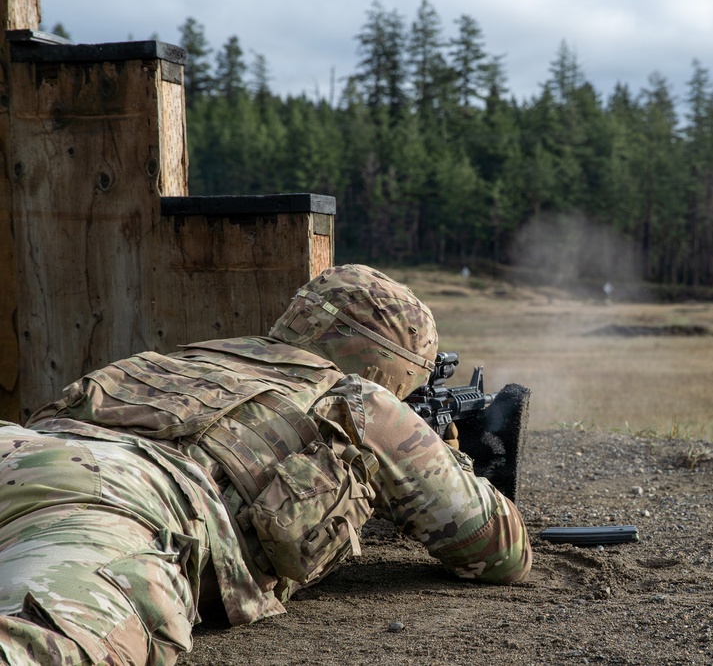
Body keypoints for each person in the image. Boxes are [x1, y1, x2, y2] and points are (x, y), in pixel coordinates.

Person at [0, 264, 531, 665]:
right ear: (395, 369)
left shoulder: (178, 357)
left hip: (20, 450)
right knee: (48, 645)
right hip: (118, 500)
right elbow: (500, 552)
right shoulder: (364, 400)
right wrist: (441, 458)